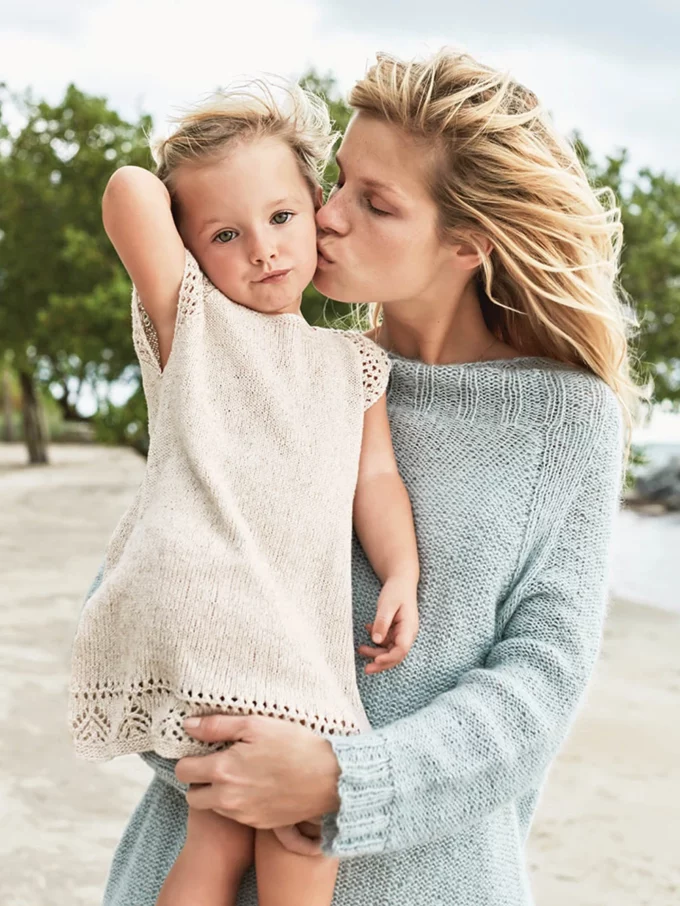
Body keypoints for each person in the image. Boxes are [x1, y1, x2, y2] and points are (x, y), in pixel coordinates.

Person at [95, 49, 636, 906]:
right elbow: (154, 593)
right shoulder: (257, 362)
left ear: (468, 241)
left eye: (375, 202)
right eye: (337, 180)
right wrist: (224, 759)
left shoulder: (564, 420)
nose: (325, 214)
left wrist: (345, 779)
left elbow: (541, 683)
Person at [68, 78, 420, 906]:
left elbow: (377, 478)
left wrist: (399, 571)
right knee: (304, 833)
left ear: (316, 209)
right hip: (218, 598)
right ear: (189, 251)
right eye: (227, 233)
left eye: (282, 217)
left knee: (222, 832)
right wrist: (224, 163)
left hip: (271, 611)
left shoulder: (352, 362)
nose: (262, 248)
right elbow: (129, 190)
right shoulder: (191, 320)